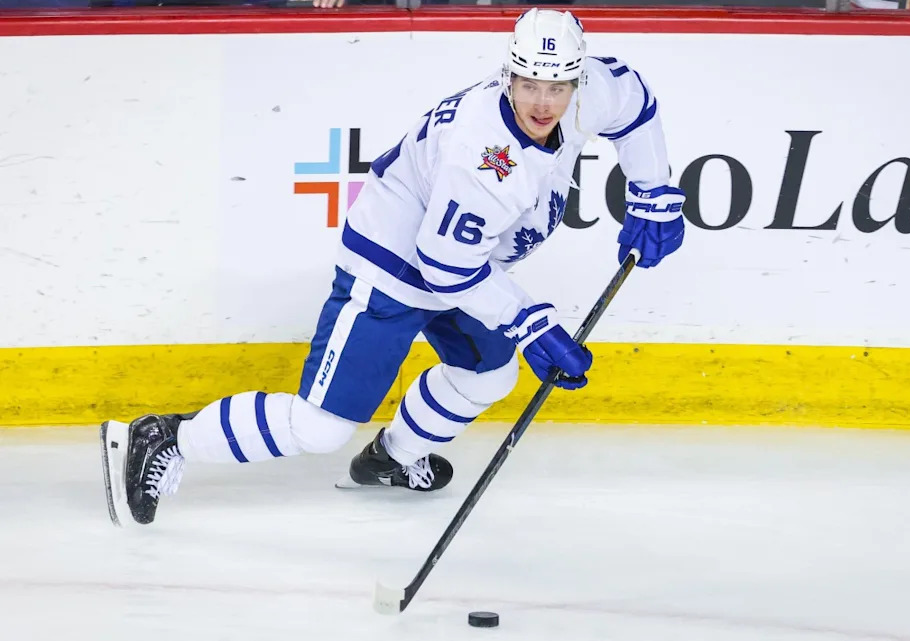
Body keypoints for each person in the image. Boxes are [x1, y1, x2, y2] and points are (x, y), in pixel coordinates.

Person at [99, 8, 686, 527]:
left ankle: (392, 458)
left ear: (576, 82)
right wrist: (531, 322)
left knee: (488, 376)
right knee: (320, 428)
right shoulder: (485, 157)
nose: (541, 102)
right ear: (508, 74)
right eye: (528, 83)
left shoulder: (590, 91)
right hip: (393, 268)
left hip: (467, 264)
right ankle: (164, 437)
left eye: (555, 87)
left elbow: (634, 104)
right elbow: (444, 267)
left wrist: (653, 191)